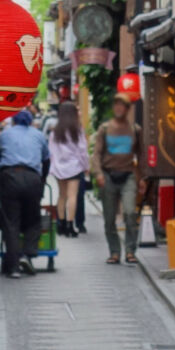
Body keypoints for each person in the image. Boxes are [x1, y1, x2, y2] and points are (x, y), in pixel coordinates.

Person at [0, 108, 48, 279]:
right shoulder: (38, 135)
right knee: (33, 219)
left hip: (10, 177)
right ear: (31, 122)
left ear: (14, 121)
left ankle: (14, 267)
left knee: (11, 223)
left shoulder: (5, 134)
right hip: (32, 178)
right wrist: (42, 180)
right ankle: (28, 253)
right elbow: (46, 159)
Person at [91, 93, 144, 265]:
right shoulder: (105, 128)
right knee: (109, 217)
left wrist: (141, 177)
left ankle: (130, 251)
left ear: (128, 109)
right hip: (108, 175)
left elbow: (141, 155)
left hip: (128, 175)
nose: (119, 108)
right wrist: (98, 173)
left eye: (122, 105)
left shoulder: (135, 129)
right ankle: (114, 252)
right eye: (116, 105)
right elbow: (96, 153)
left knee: (130, 212)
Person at [47, 101, 89, 238]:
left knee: (62, 196)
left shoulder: (55, 131)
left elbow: (51, 152)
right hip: (74, 167)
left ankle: (61, 225)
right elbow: (82, 150)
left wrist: (54, 167)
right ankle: (71, 226)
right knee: (72, 196)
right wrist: (86, 166)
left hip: (60, 168)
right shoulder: (77, 129)